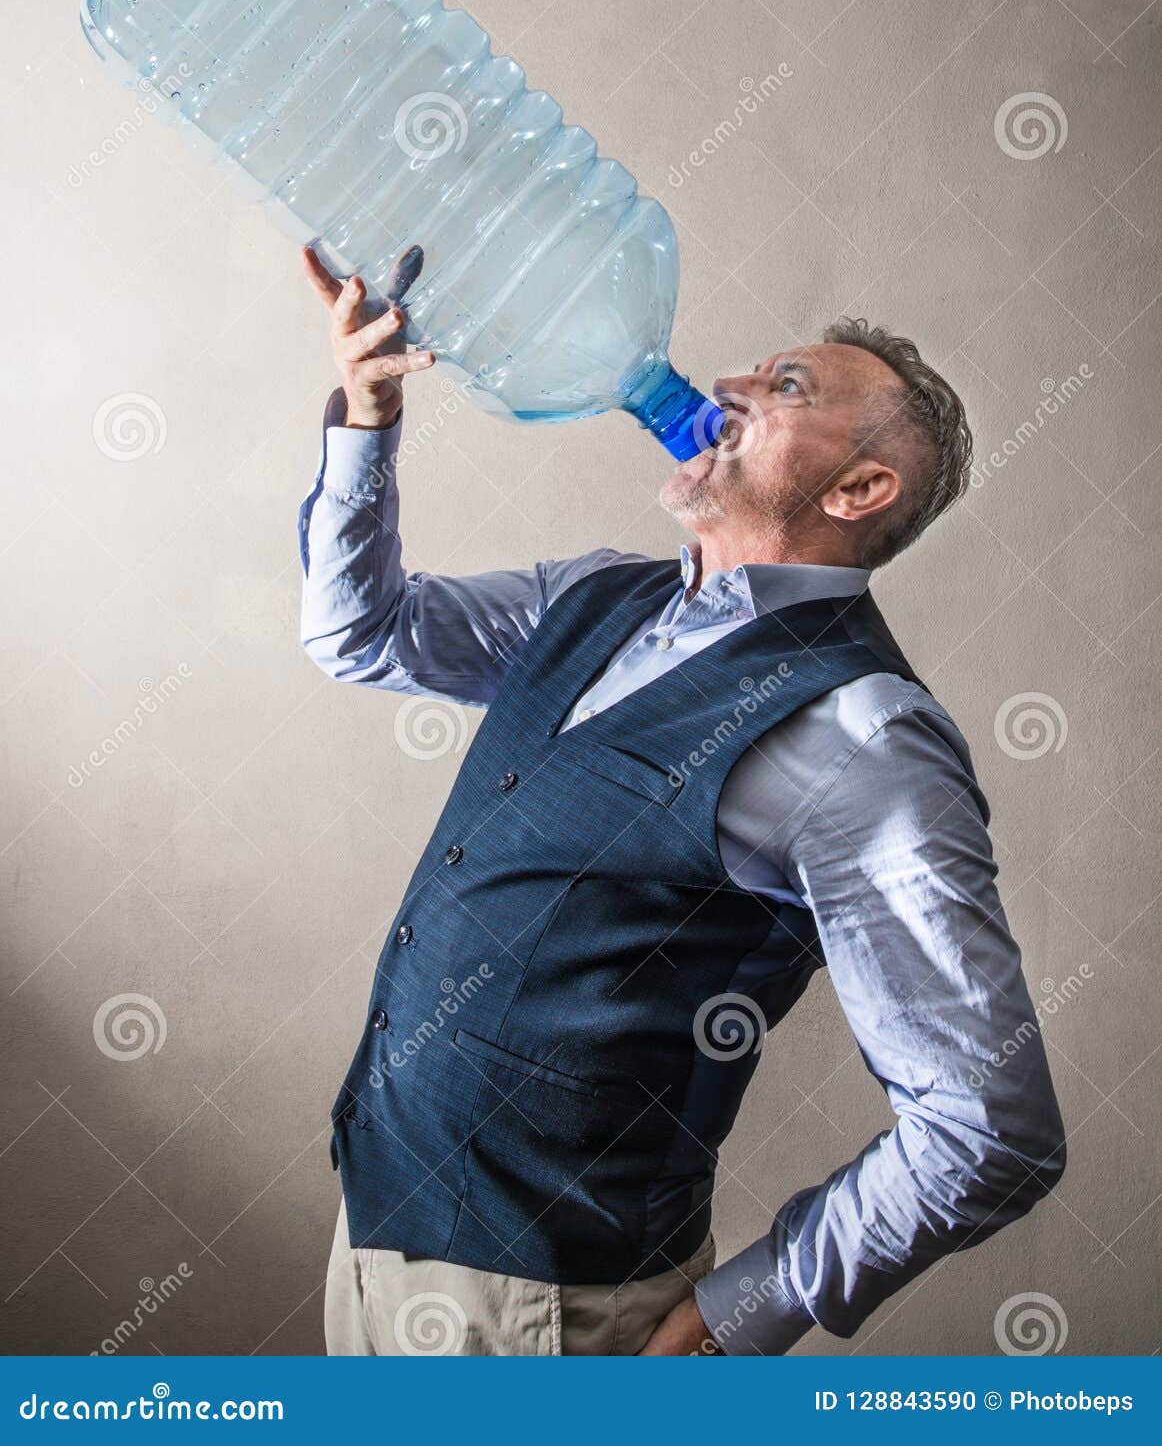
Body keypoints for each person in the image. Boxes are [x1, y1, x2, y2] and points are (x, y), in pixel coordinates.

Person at [297, 246, 1065, 1356]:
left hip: (544, 1317)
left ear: (858, 490)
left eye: (785, 388)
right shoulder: (597, 593)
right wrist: (366, 415)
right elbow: (359, 633)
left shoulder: (861, 739)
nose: (727, 389)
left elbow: (989, 1127)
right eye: (750, 371)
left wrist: (743, 1309)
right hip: (375, 1242)